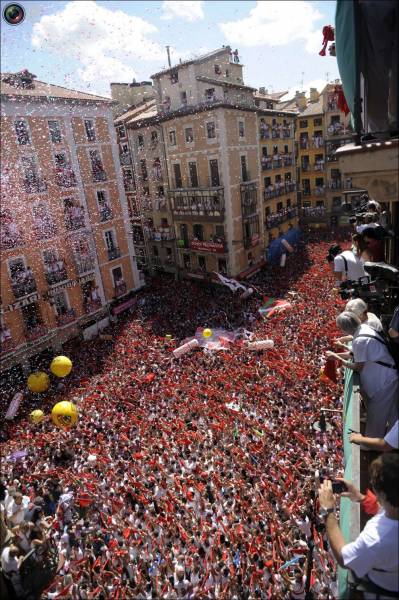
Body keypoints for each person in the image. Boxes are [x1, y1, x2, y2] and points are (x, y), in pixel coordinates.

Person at [318, 453, 399, 597]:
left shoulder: (375, 539)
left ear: (384, 495)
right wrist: (361, 498)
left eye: (374, 486)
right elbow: (390, 510)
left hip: (383, 589)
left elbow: (344, 558)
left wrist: (329, 510)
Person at [327, 312, 398, 437]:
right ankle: (393, 440)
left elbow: (358, 367)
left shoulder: (360, 339)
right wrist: (338, 354)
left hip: (384, 380)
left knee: (377, 414)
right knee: (392, 412)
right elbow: (356, 355)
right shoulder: (364, 329)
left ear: (344, 329)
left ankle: (372, 443)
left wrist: (339, 359)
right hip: (389, 375)